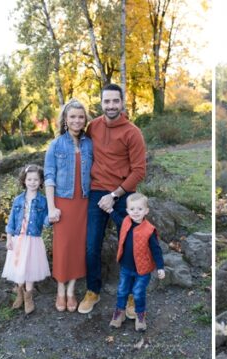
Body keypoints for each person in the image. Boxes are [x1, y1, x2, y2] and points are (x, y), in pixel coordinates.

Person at [80, 83, 147, 316]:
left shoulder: (132, 132)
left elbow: (139, 171)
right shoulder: (93, 127)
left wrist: (115, 195)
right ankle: (93, 291)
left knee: (130, 246)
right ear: (101, 103)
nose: (111, 105)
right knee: (91, 245)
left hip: (123, 194)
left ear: (122, 102)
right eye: (106, 101)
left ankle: (131, 296)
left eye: (115, 101)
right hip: (97, 192)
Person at [44, 99, 93, 312]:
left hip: (83, 201)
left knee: (78, 246)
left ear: (85, 119)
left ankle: (72, 290)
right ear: (65, 119)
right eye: (72, 116)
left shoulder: (89, 144)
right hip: (62, 203)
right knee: (63, 247)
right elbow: (49, 177)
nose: (77, 120)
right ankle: (60, 290)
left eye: (81, 117)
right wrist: (51, 207)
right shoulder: (56, 145)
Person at [108, 193, 165, 331]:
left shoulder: (149, 230)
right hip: (126, 267)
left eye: (140, 209)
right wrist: (109, 210)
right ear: (127, 210)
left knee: (138, 292)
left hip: (142, 270)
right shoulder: (126, 222)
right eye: (132, 209)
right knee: (122, 290)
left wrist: (160, 267)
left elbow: (156, 250)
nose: (136, 212)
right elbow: (117, 219)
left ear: (146, 211)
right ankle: (119, 313)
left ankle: (140, 315)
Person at [1, 165, 51, 314]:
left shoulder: (43, 201)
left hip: (33, 240)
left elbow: (46, 221)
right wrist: (8, 238)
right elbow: (11, 221)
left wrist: (52, 216)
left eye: (36, 179)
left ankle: (29, 297)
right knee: (18, 266)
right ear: (24, 180)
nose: (32, 182)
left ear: (40, 181)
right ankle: (19, 294)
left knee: (30, 267)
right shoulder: (18, 200)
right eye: (29, 179)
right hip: (18, 239)